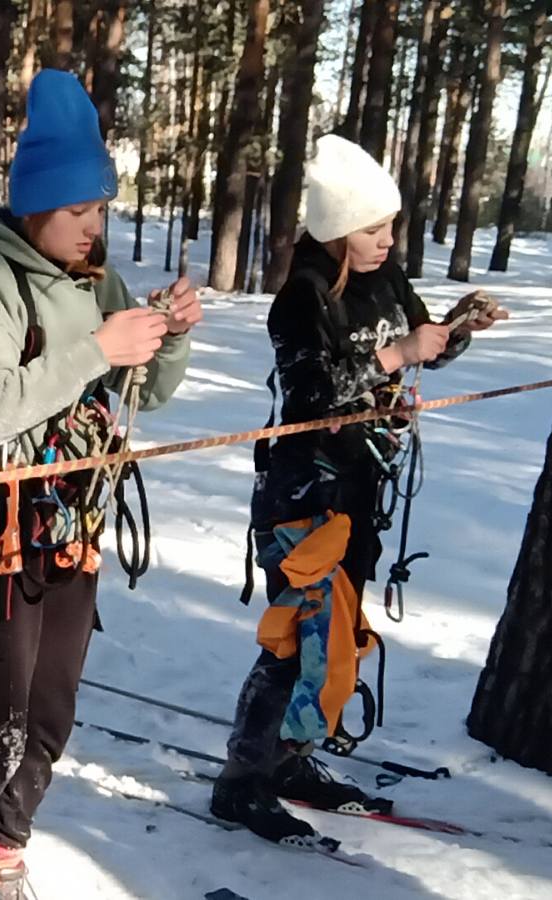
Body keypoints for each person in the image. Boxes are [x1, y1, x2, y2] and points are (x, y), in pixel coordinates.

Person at [0, 70, 198, 900]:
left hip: (72, 531)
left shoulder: (97, 279)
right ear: (34, 207)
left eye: (100, 211)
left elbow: (151, 391)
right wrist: (100, 347)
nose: (92, 228)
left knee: (49, 721)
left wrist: (164, 338)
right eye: (77, 212)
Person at [210, 134, 507, 850]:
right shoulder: (303, 297)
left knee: (338, 638)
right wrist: (399, 353)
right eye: (373, 228)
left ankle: (292, 762)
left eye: (391, 226)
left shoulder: (384, 280)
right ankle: (243, 782)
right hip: (301, 493)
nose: (386, 240)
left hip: (358, 489)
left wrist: (456, 329)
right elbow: (313, 393)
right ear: (337, 228)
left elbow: (419, 342)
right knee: (293, 641)